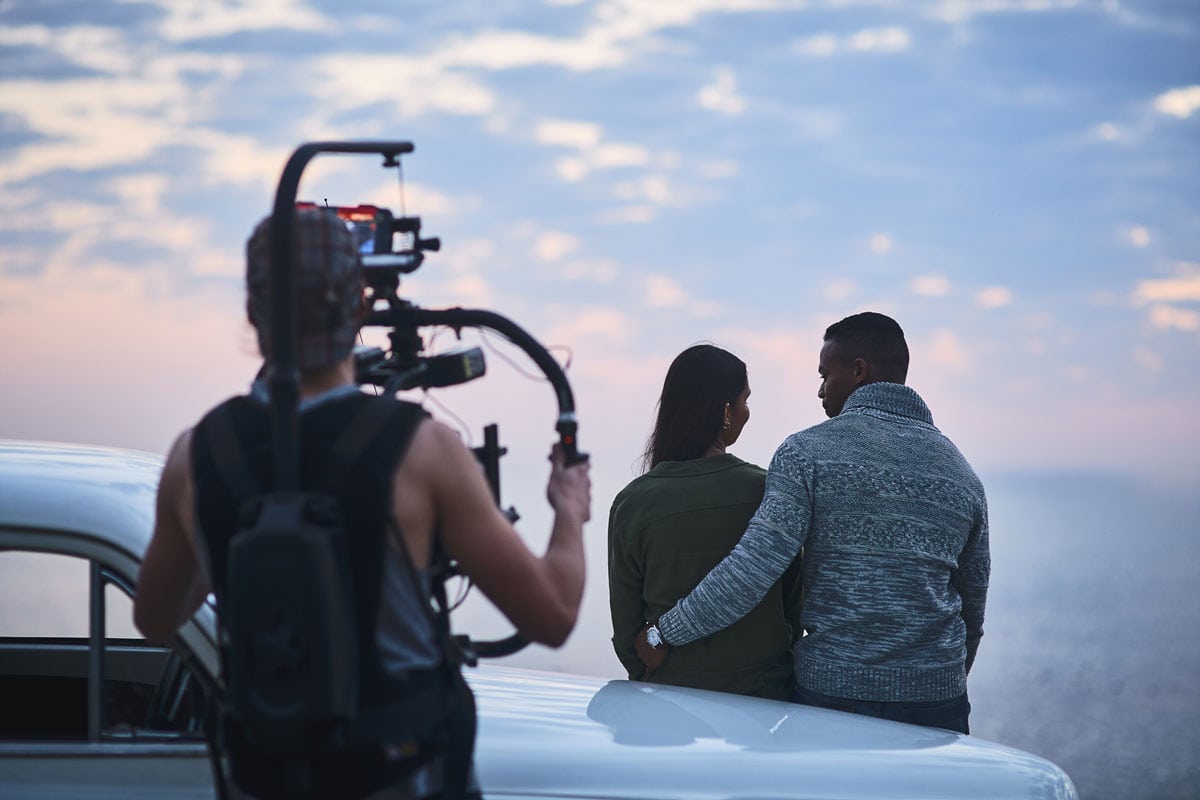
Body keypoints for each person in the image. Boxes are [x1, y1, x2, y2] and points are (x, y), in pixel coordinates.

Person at [133, 208, 591, 798]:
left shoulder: (196, 455)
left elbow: (154, 619)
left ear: (253, 313)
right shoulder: (423, 449)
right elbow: (552, 615)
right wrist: (568, 511)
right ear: (360, 308)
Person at [637, 312, 989, 734]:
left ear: (859, 370)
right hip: (938, 703)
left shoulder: (807, 454)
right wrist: (936, 679)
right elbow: (972, 606)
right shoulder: (963, 475)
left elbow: (753, 569)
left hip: (833, 698)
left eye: (825, 374)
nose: (820, 389)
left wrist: (664, 632)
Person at [608, 345, 800, 700]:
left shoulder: (633, 501)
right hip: (764, 700)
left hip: (670, 701)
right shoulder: (766, 491)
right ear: (726, 411)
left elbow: (626, 631)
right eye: (744, 400)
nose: (747, 412)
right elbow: (794, 607)